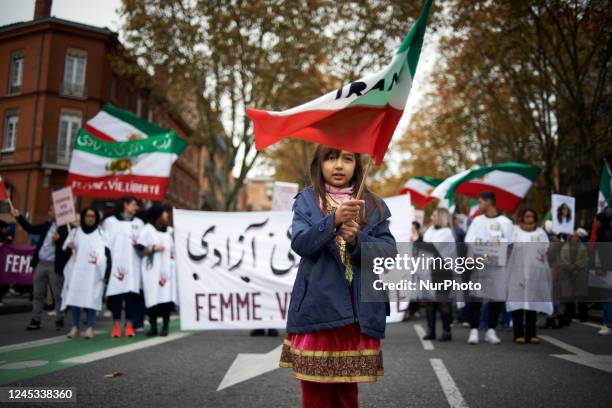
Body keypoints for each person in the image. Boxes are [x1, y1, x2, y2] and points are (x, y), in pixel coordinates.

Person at [279, 145, 396, 408]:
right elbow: (300, 244)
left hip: (355, 317)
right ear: (319, 165)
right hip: (317, 313)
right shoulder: (307, 201)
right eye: (331, 158)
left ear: (358, 164)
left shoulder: (373, 205)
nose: (339, 165)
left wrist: (358, 239)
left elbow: (389, 253)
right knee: (315, 394)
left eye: (348, 158)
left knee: (347, 394)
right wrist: (332, 221)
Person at [464, 191, 513, 345]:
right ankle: (474, 330)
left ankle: (491, 330)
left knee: (496, 298)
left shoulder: (506, 222)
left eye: (480, 202)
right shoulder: (477, 221)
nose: (479, 205)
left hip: (498, 267)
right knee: (476, 298)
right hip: (480, 265)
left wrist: (499, 249)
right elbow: (469, 241)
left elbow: (511, 244)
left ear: (489, 202)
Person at [11, 205, 70, 330]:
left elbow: (69, 249)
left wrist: (60, 240)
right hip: (41, 263)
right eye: (50, 209)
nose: (50, 211)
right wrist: (19, 217)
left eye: (52, 209)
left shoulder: (67, 229)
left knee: (58, 295)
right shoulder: (47, 225)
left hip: (55, 265)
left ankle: (59, 319)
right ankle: (35, 319)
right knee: (38, 294)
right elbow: (31, 229)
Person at [506, 208, 552, 344]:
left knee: (532, 303)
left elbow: (546, 249)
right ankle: (518, 333)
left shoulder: (541, 233)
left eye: (532, 216)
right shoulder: (515, 232)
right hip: (517, 271)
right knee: (518, 302)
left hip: (534, 272)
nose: (529, 219)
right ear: (522, 217)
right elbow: (508, 246)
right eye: (527, 216)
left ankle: (532, 333)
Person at [62, 208, 110, 339]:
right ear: (83, 217)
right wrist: (69, 247)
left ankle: (90, 327)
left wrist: (105, 273)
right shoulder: (75, 232)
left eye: (93, 216)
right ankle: (75, 327)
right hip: (77, 271)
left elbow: (107, 253)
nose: (90, 219)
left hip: (93, 273)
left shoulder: (101, 233)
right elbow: (64, 252)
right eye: (87, 216)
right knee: (75, 299)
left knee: (91, 299)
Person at [102, 196, 144, 338]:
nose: (136, 207)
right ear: (125, 205)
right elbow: (104, 244)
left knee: (131, 296)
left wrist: (141, 246)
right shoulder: (110, 222)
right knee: (116, 297)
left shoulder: (139, 223)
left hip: (133, 266)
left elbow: (144, 243)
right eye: (133, 204)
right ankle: (116, 326)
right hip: (116, 265)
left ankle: (129, 325)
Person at [136, 205, 177, 337]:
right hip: (151, 270)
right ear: (157, 215)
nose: (167, 216)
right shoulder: (147, 229)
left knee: (165, 299)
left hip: (166, 271)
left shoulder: (169, 232)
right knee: (152, 297)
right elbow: (139, 247)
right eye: (164, 214)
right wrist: (153, 248)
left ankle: (165, 326)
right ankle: (153, 326)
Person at [421, 208, 456, 342]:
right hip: (429, 270)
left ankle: (447, 331)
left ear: (441, 217)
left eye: (434, 215)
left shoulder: (446, 233)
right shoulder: (431, 230)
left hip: (442, 271)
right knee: (429, 301)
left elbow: (433, 248)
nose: (431, 217)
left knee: (443, 302)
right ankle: (431, 331)